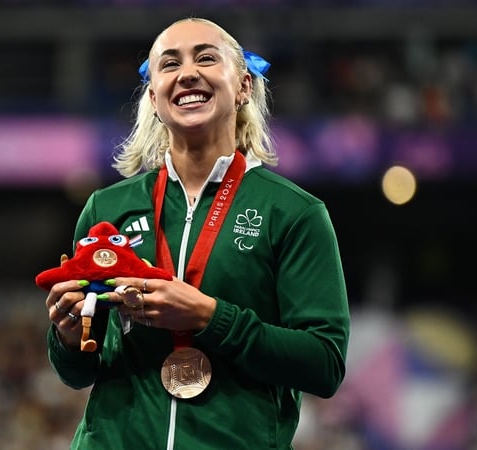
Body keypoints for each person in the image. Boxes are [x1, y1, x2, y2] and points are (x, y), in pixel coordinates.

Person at [43, 17, 350, 450]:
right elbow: (77, 374)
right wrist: (69, 337)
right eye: (169, 64)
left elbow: (324, 365)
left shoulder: (295, 213)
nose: (187, 72)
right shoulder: (107, 210)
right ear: (154, 96)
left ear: (243, 85)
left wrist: (210, 318)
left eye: (206, 58)